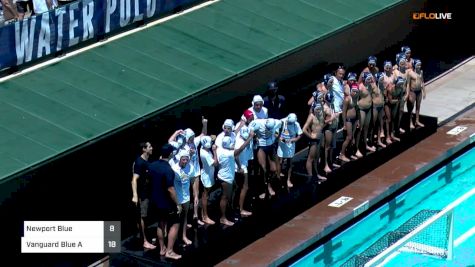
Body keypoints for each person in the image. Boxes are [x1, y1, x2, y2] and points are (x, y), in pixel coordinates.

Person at [148, 144, 182, 260]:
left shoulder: (152, 165)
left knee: (161, 223)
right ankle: (170, 251)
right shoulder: (168, 170)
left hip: (154, 201)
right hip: (166, 203)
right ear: (171, 154)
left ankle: (162, 249)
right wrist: (178, 204)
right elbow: (170, 189)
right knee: (176, 223)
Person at [216, 133, 253, 225]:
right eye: (231, 144)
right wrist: (250, 137)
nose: (233, 145)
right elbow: (240, 149)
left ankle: (226, 215)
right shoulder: (228, 153)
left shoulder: (220, 149)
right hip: (226, 178)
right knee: (225, 197)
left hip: (223, 175)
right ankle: (223, 218)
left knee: (228, 196)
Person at [131, 142, 156, 250]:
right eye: (150, 147)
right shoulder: (139, 163)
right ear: (144, 149)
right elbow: (134, 180)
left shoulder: (147, 160)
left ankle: (145, 237)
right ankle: (145, 241)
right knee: (142, 217)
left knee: (145, 217)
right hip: (142, 195)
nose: (152, 148)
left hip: (148, 192)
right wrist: (135, 195)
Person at [249, 118, 282, 198]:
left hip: (271, 146)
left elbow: (282, 124)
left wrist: (276, 136)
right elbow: (250, 129)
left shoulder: (277, 122)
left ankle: (269, 184)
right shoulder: (258, 123)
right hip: (261, 147)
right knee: (263, 169)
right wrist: (254, 137)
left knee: (274, 169)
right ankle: (264, 188)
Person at [170, 150, 194, 246]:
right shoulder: (174, 169)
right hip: (177, 199)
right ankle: (174, 239)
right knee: (175, 220)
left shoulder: (190, 167)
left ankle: (184, 236)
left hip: (186, 197)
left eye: (186, 160)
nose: (185, 161)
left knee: (185, 218)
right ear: (179, 159)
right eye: (183, 159)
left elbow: (192, 180)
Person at [303, 99, 326, 181]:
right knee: (310, 158)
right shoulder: (311, 116)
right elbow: (304, 129)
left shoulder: (320, 115)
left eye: (319, 109)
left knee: (316, 158)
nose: (318, 111)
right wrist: (311, 136)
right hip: (314, 140)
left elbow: (321, 126)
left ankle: (316, 174)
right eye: (317, 109)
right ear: (313, 109)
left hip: (319, 137)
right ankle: (310, 176)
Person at [277, 113, 302, 188]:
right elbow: (275, 133)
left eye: (292, 123)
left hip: (291, 145)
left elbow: (299, 135)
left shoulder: (296, 124)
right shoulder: (281, 122)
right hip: (281, 145)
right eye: (289, 122)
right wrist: (279, 138)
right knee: (280, 161)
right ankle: (278, 177)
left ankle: (288, 179)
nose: (290, 123)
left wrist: (294, 139)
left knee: (289, 163)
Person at [340, 73, 359, 162]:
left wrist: (358, 120)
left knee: (353, 138)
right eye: (353, 91)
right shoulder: (347, 99)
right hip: (348, 120)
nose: (355, 92)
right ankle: (342, 154)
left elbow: (357, 109)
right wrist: (344, 124)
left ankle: (350, 154)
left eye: (356, 91)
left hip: (354, 120)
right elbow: (344, 112)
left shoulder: (356, 98)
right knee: (349, 137)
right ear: (351, 90)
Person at [234, 126, 254, 216]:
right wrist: (239, 167)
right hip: (241, 167)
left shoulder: (240, 137)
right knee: (245, 187)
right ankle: (241, 209)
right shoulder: (240, 142)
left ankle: (237, 206)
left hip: (243, 165)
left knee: (239, 187)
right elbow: (236, 155)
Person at [355, 73, 375, 158]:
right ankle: (356, 149)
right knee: (360, 128)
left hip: (368, 109)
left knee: (366, 127)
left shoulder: (370, 86)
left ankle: (365, 145)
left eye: (370, 79)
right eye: (368, 79)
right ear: (364, 79)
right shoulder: (360, 87)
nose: (370, 80)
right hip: (362, 109)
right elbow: (355, 99)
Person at [199, 136, 217, 225]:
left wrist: (212, 138)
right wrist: (214, 151)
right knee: (205, 196)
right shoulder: (205, 154)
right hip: (207, 177)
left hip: (208, 174)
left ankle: (203, 215)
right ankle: (205, 216)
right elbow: (216, 163)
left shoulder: (203, 148)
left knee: (205, 195)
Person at [406, 59, 426, 129]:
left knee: (418, 106)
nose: (419, 66)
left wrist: (424, 92)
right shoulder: (410, 73)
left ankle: (417, 121)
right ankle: (410, 122)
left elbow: (422, 82)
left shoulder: (421, 72)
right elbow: (408, 84)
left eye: (420, 65)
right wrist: (407, 94)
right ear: (414, 65)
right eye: (418, 65)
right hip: (413, 91)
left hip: (419, 91)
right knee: (411, 107)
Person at [372, 72, 386, 148]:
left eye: (383, 79)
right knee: (373, 124)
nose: (382, 81)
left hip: (381, 107)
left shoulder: (382, 86)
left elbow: (383, 96)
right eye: (381, 79)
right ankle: (371, 142)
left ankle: (379, 141)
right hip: (375, 107)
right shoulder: (373, 86)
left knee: (379, 124)